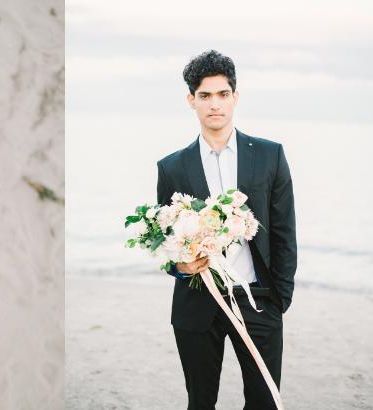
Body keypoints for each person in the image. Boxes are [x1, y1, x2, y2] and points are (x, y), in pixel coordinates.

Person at [156, 50, 296, 410]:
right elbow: (166, 239)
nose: (214, 104)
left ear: (235, 96)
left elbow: (283, 231)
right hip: (197, 306)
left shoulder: (270, 155)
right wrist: (178, 266)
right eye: (204, 96)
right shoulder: (172, 167)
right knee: (200, 403)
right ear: (192, 100)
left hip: (258, 301)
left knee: (265, 403)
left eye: (222, 94)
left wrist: (280, 298)